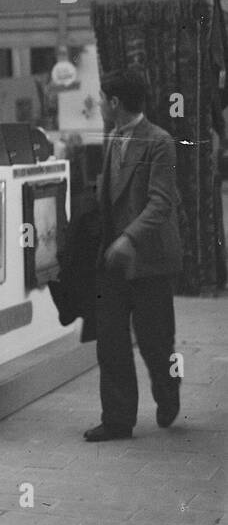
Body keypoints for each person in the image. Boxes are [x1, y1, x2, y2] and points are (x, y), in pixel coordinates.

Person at [85, 68, 184, 442]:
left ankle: (168, 389)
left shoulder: (160, 142)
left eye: (101, 98)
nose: (98, 103)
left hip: (149, 259)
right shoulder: (112, 137)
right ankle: (117, 420)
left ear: (114, 103)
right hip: (112, 259)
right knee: (110, 341)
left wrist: (128, 238)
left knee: (156, 342)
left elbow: (162, 202)